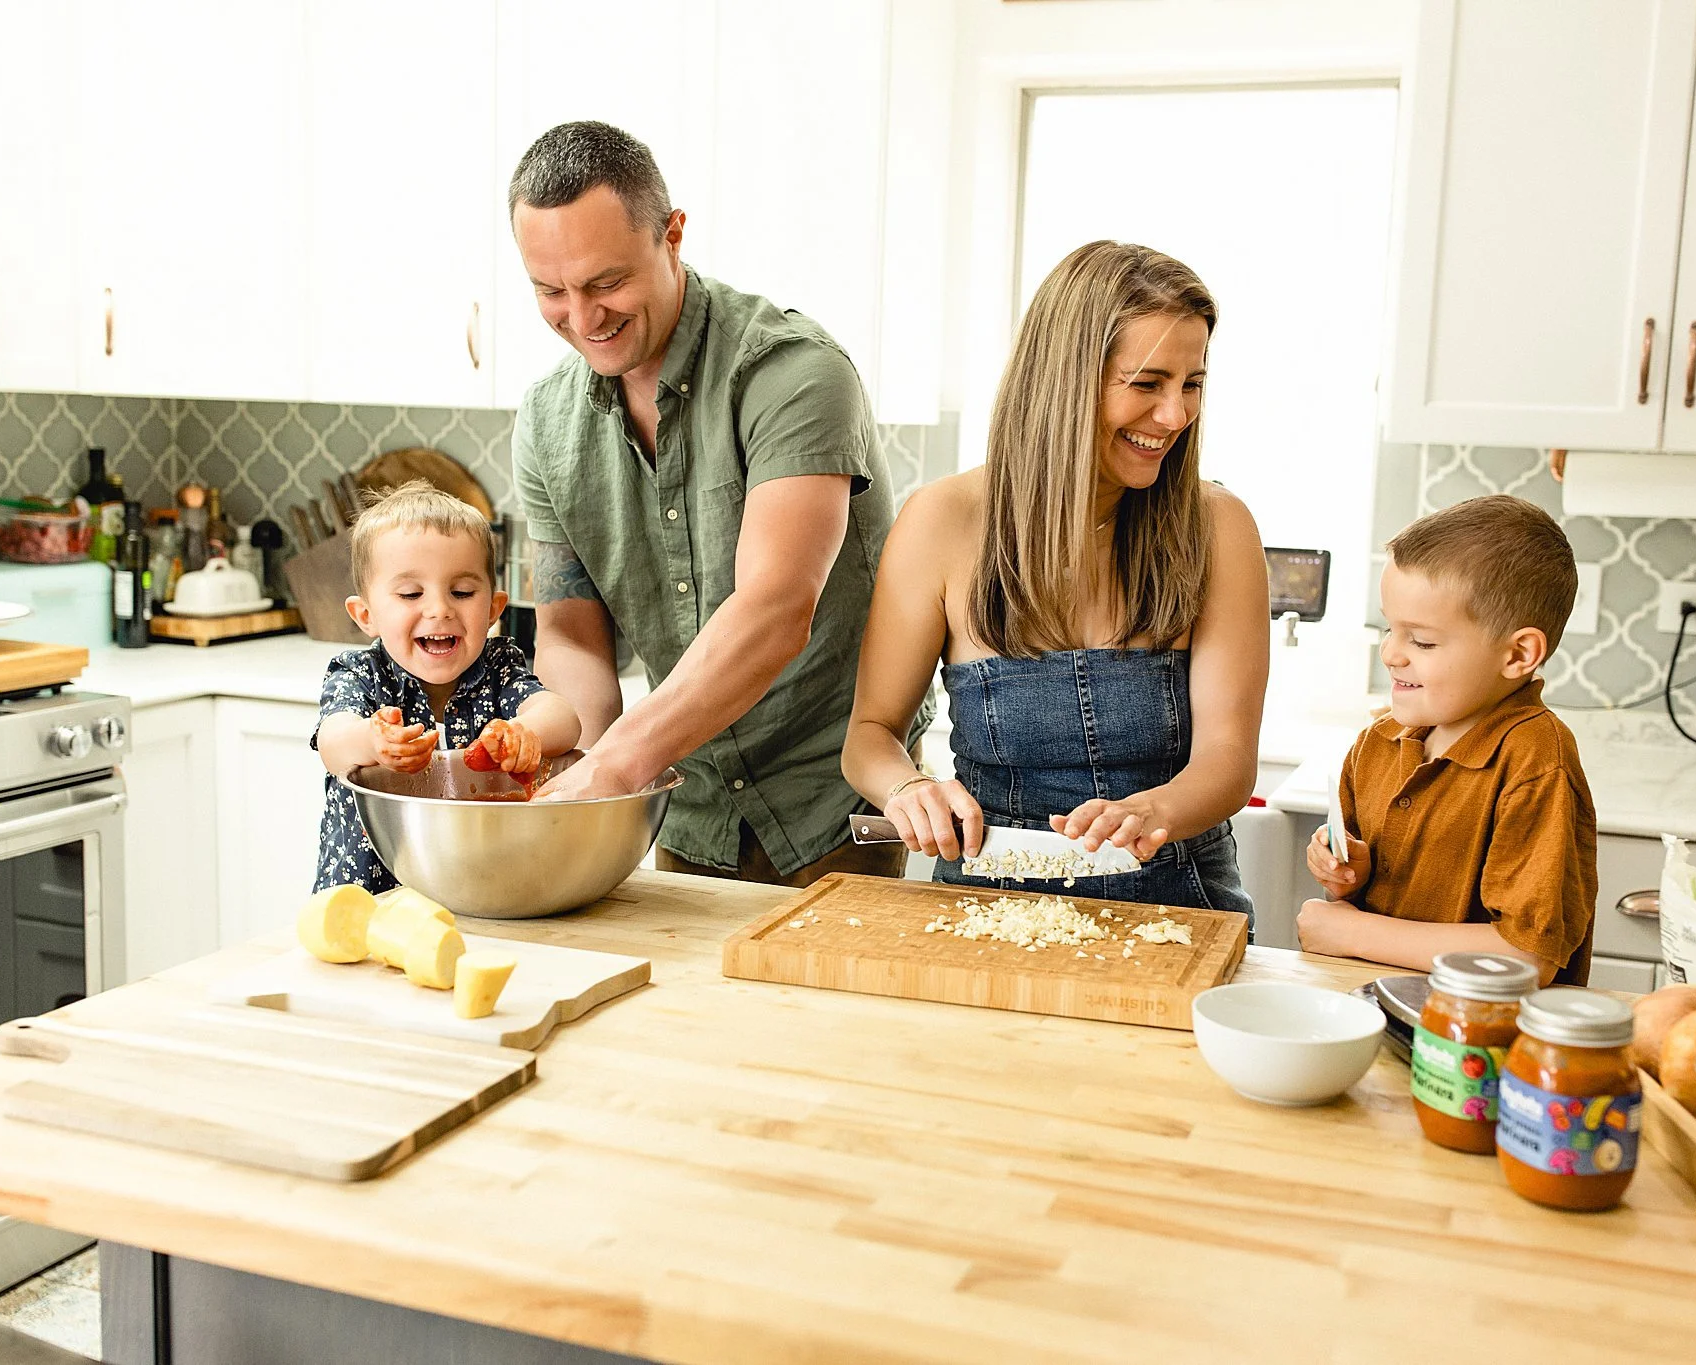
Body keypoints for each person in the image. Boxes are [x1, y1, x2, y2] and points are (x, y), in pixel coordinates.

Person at [505, 120, 926, 888]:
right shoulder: (545, 423)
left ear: (672, 235)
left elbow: (775, 610)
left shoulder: (794, 375)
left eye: (605, 283)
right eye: (550, 290)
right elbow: (571, 638)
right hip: (687, 805)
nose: (583, 316)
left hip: (831, 803)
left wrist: (622, 758)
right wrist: (588, 778)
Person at [841, 241, 1267, 914]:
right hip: (983, 905)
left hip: (1181, 907)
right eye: (1148, 384)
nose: (1175, 416)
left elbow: (1228, 759)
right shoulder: (942, 522)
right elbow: (869, 732)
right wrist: (905, 788)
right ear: (1065, 381)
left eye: (1192, 384)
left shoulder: (1220, 527)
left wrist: (1151, 810)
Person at [1300, 494, 1597, 985]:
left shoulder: (1537, 760)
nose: (1392, 653)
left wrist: (1352, 933)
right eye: (1389, 628)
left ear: (1519, 654)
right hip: (1378, 1016)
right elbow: (1353, 898)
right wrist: (1349, 877)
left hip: (1483, 1046)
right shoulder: (1378, 743)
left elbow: (1529, 957)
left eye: (1423, 641)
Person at [311, 481, 580, 893]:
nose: (439, 609)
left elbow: (563, 718)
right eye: (410, 593)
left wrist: (527, 734)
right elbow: (333, 743)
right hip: (371, 900)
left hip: (481, 891)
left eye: (462, 592)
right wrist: (373, 739)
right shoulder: (360, 674)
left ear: (493, 609)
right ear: (365, 614)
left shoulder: (498, 667)